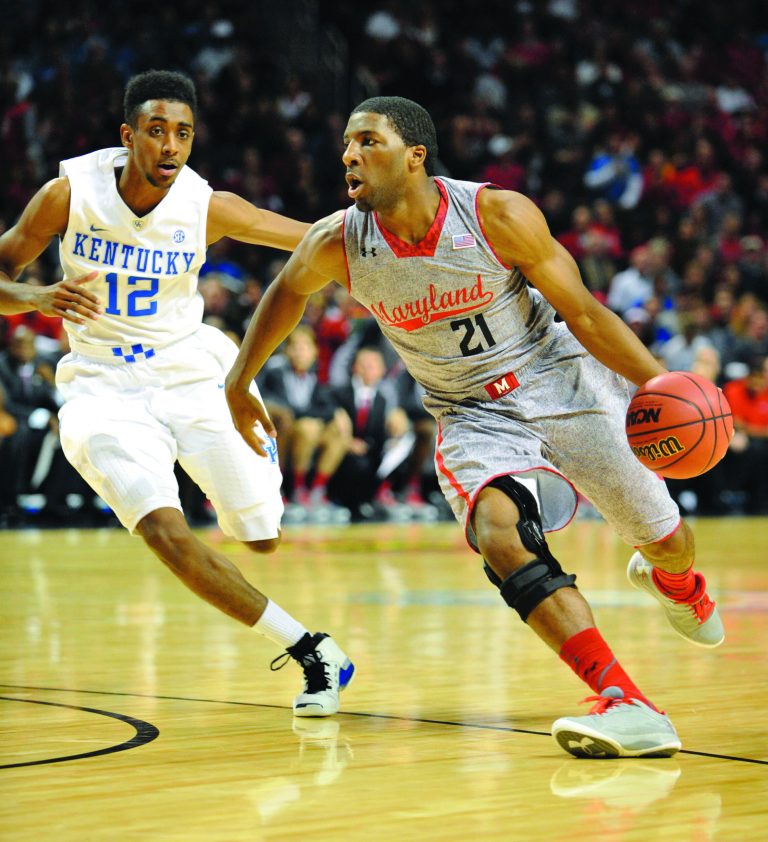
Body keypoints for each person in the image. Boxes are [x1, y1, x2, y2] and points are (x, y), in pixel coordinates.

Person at [226, 96, 725, 758]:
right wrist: (237, 380)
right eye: (346, 144)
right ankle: (624, 702)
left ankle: (672, 579)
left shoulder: (496, 214)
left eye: (367, 141)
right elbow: (287, 293)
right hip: (470, 414)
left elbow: (584, 312)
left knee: (670, 541)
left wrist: (661, 385)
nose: (348, 154)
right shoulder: (339, 242)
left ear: (414, 156)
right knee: (498, 534)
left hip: (563, 382)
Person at [0, 70, 353, 717]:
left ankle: (257, 462)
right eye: (156, 131)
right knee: (164, 531)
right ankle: (313, 651)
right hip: (102, 388)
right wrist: (34, 298)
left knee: (262, 540)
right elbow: (4, 271)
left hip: (189, 373)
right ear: (128, 135)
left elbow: (307, 235)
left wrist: (388, 237)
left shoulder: (206, 205)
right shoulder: (67, 194)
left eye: (183, 134)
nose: (170, 146)